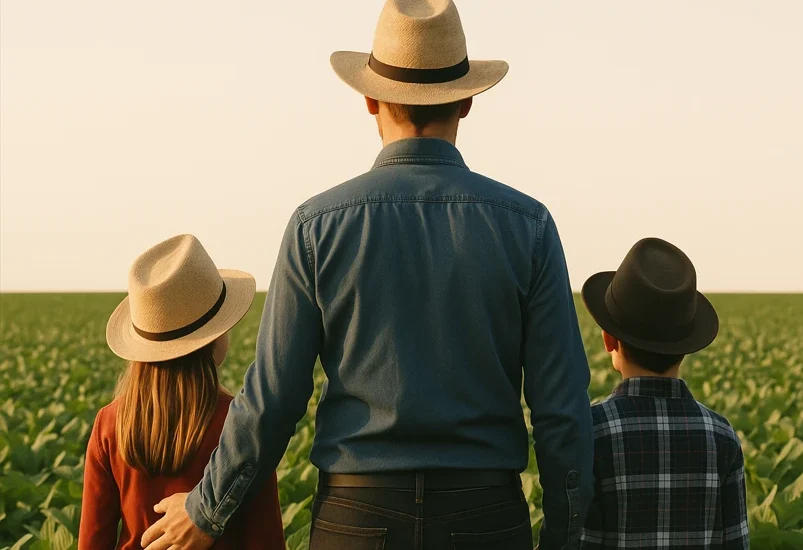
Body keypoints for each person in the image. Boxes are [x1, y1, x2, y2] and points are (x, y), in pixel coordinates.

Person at [139, 1, 593, 549]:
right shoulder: (529, 226)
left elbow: (274, 397)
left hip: (355, 516)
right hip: (486, 514)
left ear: (369, 98)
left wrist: (207, 511)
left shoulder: (316, 225)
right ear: (468, 100)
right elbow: (561, 409)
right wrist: (567, 535)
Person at [78, 234, 285, 550]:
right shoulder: (240, 424)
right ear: (213, 339)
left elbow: (93, 541)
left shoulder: (110, 423)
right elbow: (266, 540)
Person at [577, 237, 749, 549]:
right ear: (685, 350)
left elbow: (574, 539)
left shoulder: (590, 430)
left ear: (608, 340)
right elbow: (736, 542)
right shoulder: (721, 435)